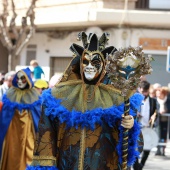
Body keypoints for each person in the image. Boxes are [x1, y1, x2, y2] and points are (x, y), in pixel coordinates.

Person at [27, 32, 144, 170]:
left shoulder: (118, 98)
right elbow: (46, 136)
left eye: (95, 62)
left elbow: (134, 148)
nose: (89, 66)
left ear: (104, 65)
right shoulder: (58, 96)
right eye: (85, 61)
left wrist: (131, 127)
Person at [0, 68, 42, 170]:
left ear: (28, 80)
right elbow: (4, 117)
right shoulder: (10, 94)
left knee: (29, 156)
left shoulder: (35, 96)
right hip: (12, 134)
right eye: (18, 79)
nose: (19, 81)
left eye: (23, 79)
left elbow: (39, 118)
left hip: (29, 134)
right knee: (12, 156)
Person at [133, 80, 157, 170]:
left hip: (147, 128)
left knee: (147, 148)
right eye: (142, 91)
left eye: (146, 91)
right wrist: (136, 114)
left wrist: (153, 119)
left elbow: (155, 113)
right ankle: (136, 165)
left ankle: (141, 165)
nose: (144, 93)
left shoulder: (153, 101)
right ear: (139, 89)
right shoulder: (135, 99)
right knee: (135, 147)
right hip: (137, 127)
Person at [155, 86, 170, 156]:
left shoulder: (168, 100)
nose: (158, 95)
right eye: (157, 93)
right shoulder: (155, 100)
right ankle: (158, 149)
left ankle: (163, 149)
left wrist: (166, 110)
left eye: (159, 93)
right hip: (158, 121)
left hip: (167, 121)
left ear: (163, 93)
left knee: (165, 135)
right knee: (158, 134)